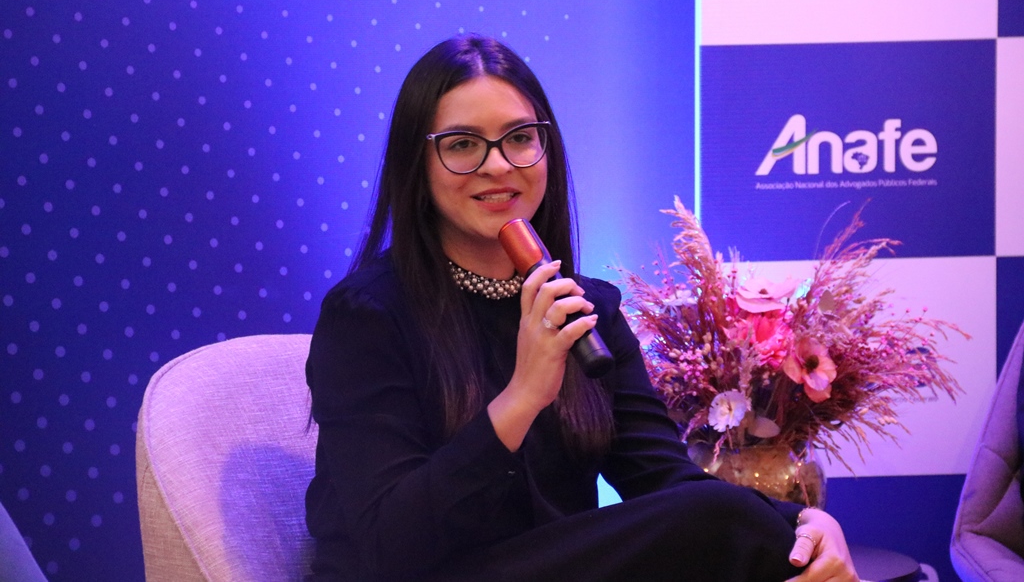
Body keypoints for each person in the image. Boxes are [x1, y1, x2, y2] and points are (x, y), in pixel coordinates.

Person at [305, 34, 858, 582]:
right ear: (418, 163)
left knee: (734, 528)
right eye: (463, 144)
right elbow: (389, 545)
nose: (498, 165)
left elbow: (666, 482)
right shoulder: (367, 316)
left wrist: (804, 522)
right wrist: (523, 397)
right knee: (721, 519)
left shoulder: (588, 308)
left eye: (520, 138)